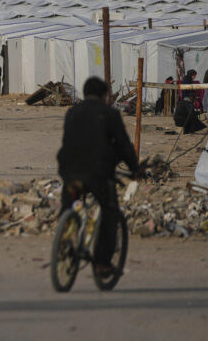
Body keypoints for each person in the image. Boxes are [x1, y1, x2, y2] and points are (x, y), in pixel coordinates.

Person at [56, 77, 140, 276]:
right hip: (97, 174)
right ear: (104, 96)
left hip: (69, 172)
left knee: (69, 202)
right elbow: (124, 145)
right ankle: (102, 262)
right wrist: (135, 168)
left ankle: (64, 238)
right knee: (110, 212)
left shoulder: (72, 112)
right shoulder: (110, 114)